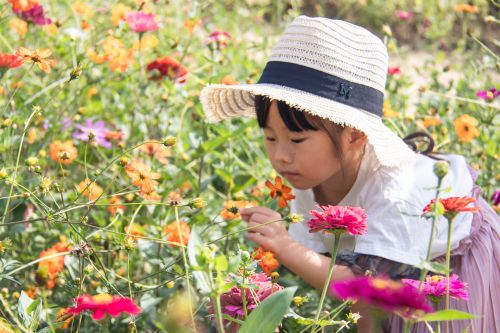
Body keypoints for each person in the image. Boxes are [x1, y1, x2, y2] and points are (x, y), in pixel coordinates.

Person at [199, 16, 499, 332]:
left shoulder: (395, 188)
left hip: (450, 275)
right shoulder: (307, 174)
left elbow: (360, 286)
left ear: (355, 135)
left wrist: (286, 246)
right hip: (385, 286)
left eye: (297, 139)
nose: (280, 155)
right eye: (270, 137)